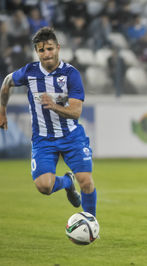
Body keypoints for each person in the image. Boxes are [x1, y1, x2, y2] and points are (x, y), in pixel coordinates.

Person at [0, 27, 97, 217]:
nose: (46, 54)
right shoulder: (30, 72)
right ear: (37, 52)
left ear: (58, 48)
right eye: (41, 50)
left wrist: (54, 106)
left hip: (71, 136)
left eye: (50, 49)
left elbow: (76, 112)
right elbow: (7, 82)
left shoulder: (71, 74)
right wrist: (2, 109)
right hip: (43, 139)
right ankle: (67, 183)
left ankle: (91, 223)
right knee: (44, 186)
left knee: (85, 181)